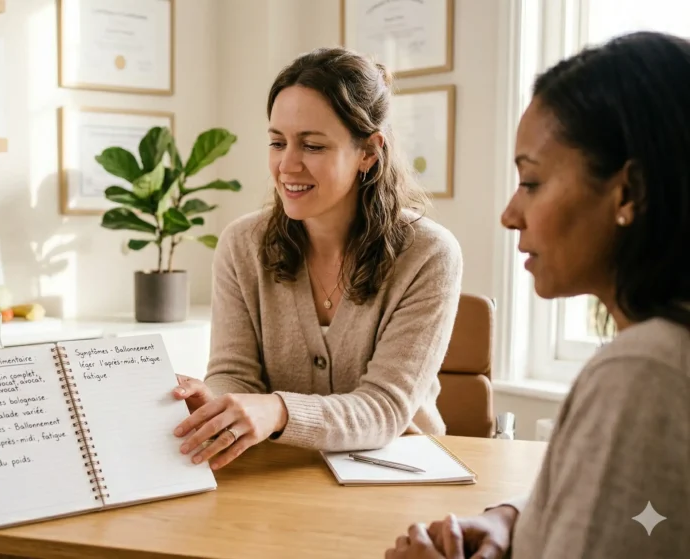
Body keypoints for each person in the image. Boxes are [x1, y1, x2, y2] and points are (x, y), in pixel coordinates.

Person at [385, 30, 690, 559]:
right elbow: (636, 511)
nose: (509, 214)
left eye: (531, 182)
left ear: (629, 192)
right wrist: (517, 517)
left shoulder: (642, 373)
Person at [170, 46, 464, 471]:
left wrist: (277, 411)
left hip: (399, 477)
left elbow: (384, 407)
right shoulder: (241, 244)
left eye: (312, 145)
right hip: (275, 476)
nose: (287, 165)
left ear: (368, 152)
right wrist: (217, 405)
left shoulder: (429, 254)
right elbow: (235, 374)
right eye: (277, 142)